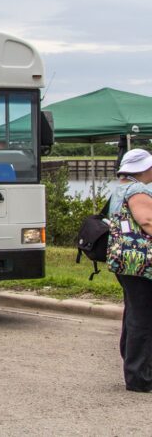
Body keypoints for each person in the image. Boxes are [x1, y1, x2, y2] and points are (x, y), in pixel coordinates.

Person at [108, 148, 152, 392]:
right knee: (143, 317)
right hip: (141, 262)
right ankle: (139, 377)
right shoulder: (137, 189)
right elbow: (147, 221)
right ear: (144, 168)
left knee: (135, 313)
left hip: (125, 261)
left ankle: (135, 368)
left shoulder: (119, 189)